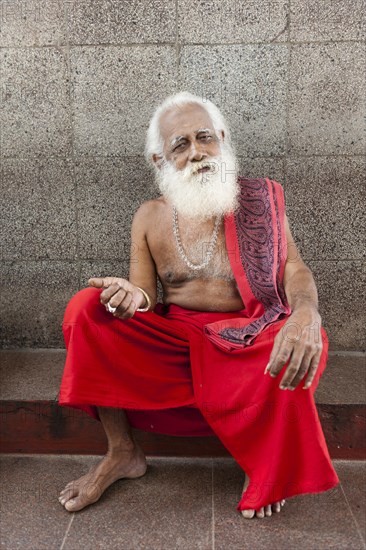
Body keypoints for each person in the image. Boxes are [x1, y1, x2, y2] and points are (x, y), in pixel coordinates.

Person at [58, 91, 339, 519]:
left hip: (252, 339)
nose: (197, 152)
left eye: (204, 137)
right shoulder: (149, 217)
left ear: (222, 139)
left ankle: (267, 461)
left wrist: (304, 312)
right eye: (180, 144)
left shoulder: (261, 199)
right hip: (180, 343)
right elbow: (146, 297)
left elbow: (294, 271)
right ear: (160, 161)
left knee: (302, 336)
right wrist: (131, 298)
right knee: (85, 309)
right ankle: (122, 453)